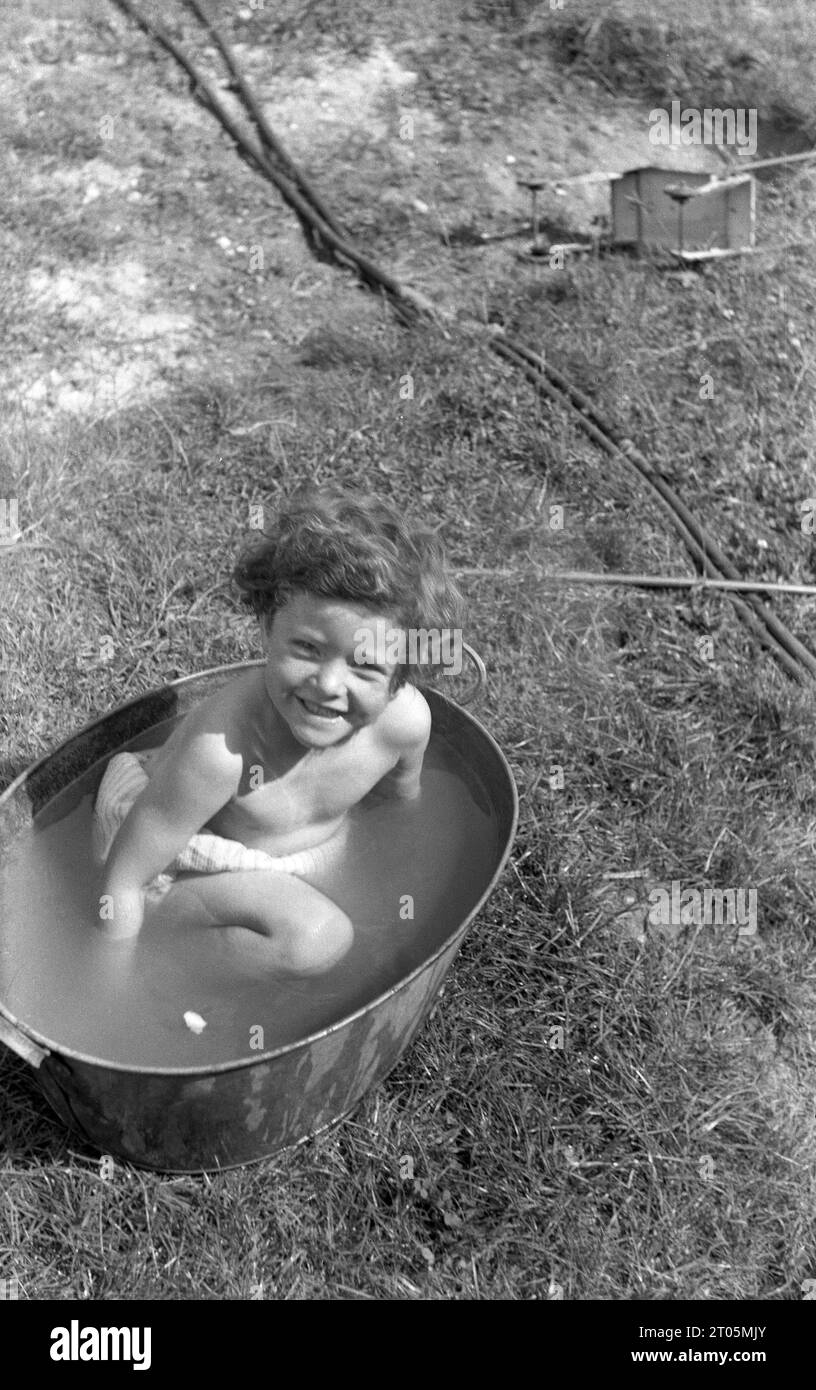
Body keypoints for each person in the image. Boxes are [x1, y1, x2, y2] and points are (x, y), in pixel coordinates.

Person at [93, 486, 463, 974]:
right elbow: (123, 881)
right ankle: (170, 962)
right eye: (308, 648)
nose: (329, 684)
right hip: (170, 853)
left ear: (403, 674)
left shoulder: (404, 727)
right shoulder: (222, 753)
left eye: (367, 664)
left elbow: (400, 811)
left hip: (286, 861)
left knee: (363, 925)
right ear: (269, 627)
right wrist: (109, 994)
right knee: (319, 937)